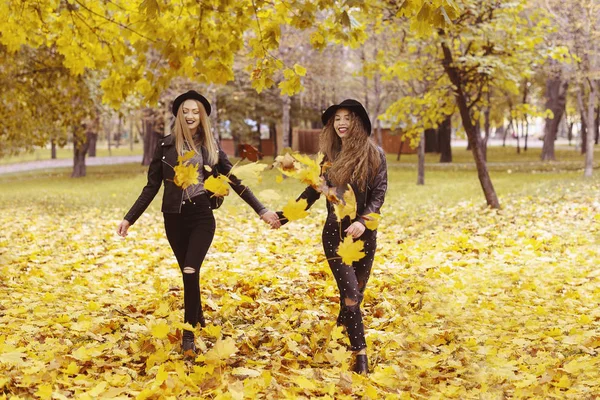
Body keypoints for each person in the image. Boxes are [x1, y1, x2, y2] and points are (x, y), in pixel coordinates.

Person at [117, 90, 280, 354]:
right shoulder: (165, 146)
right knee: (188, 275)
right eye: (186, 111)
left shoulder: (210, 147)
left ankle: (188, 333)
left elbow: (235, 181)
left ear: (202, 116)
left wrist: (261, 210)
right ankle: (199, 317)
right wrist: (129, 218)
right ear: (179, 115)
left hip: (202, 218)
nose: (191, 115)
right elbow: (151, 187)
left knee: (190, 270)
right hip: (173, 220)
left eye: (196, 111)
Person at [272, 99, 387, 374]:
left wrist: (363, 221)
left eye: (347, 118)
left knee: (355, 294)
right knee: (350, 296)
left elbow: (379, 193)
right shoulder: (327, 158)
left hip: (364, 235)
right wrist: (284, 216)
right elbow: (311, 192)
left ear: (357, 122)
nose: (341, 123)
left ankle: (339, 333)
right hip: (335, 235)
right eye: (337, 118)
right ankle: (361, 355)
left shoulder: (375, 155)